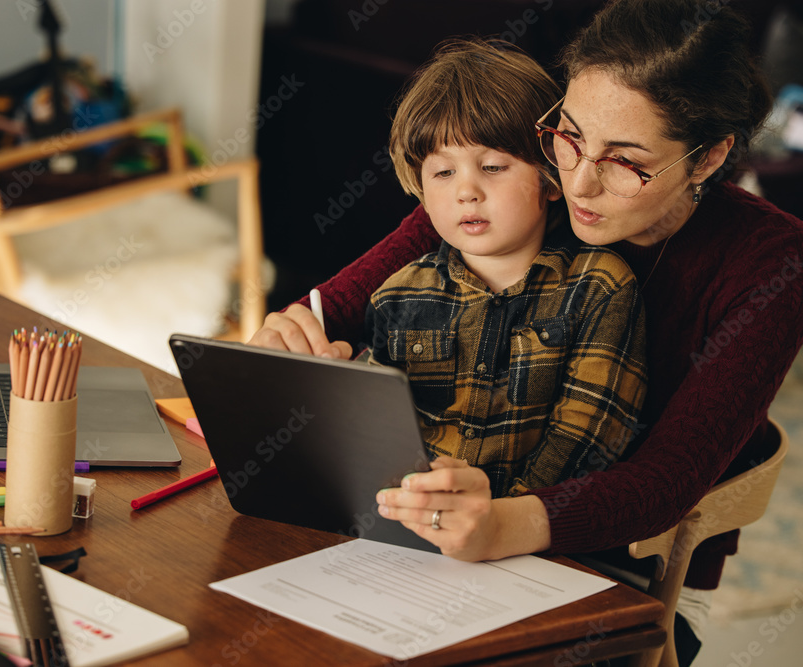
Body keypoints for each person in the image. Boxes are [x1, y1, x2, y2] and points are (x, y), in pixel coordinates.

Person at [248, 1, 803, 663]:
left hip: (625, 568)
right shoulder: (530, 179)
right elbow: (333, 304)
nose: (578, 182)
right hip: (451, 522)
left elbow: (668, 479)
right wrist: (286, 332)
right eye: (567, 136)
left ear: (708, 157)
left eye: (625, 162)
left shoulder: (773, 262)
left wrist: (504, 519)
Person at [364, 39, 646, 499]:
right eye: (442, 173)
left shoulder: (599, 286)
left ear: (552, 175)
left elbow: (591, 433)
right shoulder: (396, 297)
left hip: (530, 528)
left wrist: (509, 514)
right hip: (416, 514)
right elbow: (376, 426)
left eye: (493, 166)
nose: (467, 191)